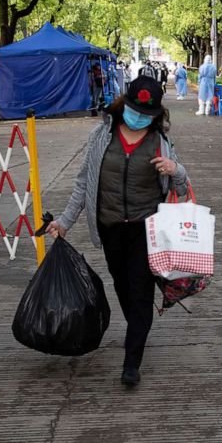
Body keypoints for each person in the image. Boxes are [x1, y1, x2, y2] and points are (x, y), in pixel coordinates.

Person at [48, 76, 190, 387]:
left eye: (146, 114)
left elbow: (182, 185)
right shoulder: (102, 136)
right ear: (123, 104)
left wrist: (174, 169)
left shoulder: (160, 142)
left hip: (146, 229)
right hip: (109, 226)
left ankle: (131, 360)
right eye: (134, 110)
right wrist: (64, 221)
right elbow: (84, 184)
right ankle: (137, 328)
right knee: (123, 287)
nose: (138, 117)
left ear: (155, 115)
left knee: (140, 292)